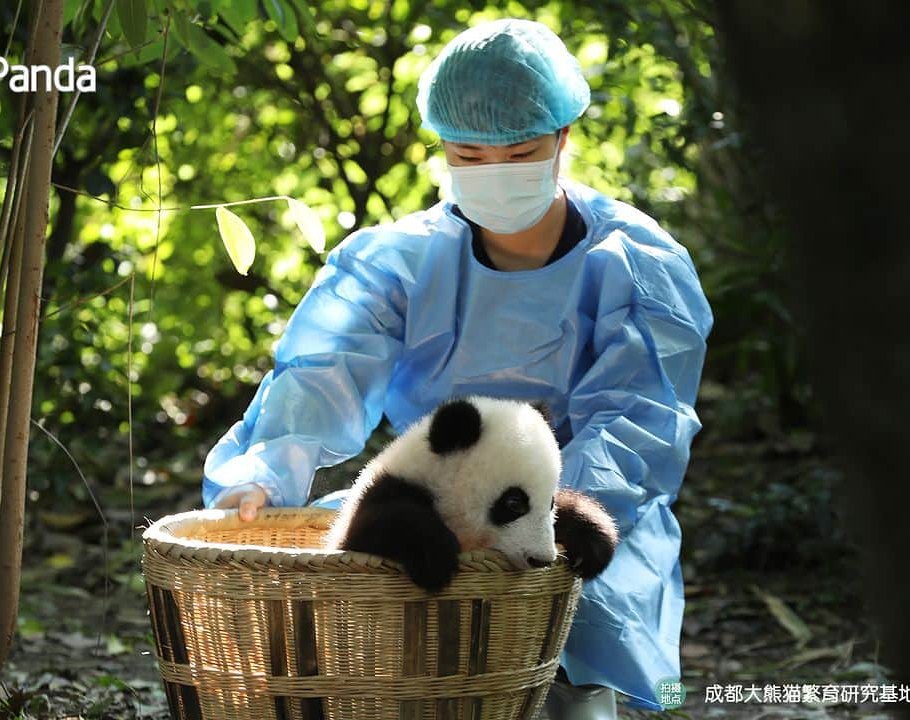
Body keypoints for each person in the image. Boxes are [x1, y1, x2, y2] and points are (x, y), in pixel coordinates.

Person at [203, 18, 713, 720]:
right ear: (441, 146)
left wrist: (538, 525)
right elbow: (321, 374)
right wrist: (263, 470)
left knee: (578, 679)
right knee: (349, 636)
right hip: (427, 505)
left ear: (563, 137)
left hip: (582, 517)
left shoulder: (638, 266)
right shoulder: (395, 262)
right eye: (468, 155)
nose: (494, 174)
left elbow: (639, 425)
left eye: (520, 153)